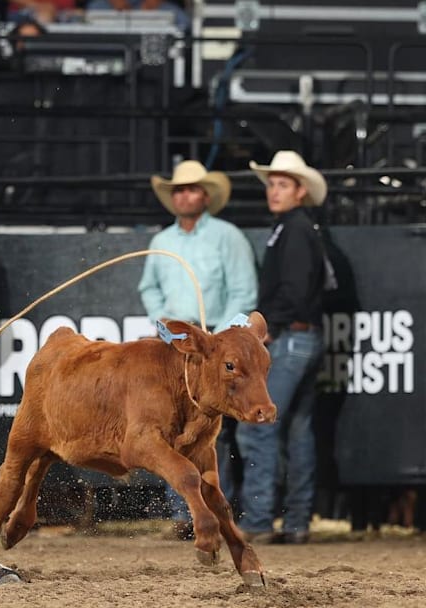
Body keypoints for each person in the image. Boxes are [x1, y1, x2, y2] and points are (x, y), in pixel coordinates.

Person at [138, 159, 257, 539]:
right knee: (177, 427)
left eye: (190, 189)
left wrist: (220, 340)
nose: (184, 195)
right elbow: (149, 287)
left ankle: (224, 509)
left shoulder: (228, 237)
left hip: (217, 343)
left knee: (215, 431)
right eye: (178, 190)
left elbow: (243, 289)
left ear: (205, 196)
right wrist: (165, 323)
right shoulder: (162, 242)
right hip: (177, 345)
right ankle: (188, 512)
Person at [236, 150, 328, 545]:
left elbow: (292, 289)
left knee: (258, 426)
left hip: (290, 338)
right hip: (302, 337)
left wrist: (267, 328)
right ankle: (296, 520)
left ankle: (258, 520)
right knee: (297, 432)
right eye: (271, 184)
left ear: (300, 190)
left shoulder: (294, 230)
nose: (274, 191)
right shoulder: (296, 228)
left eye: (282, 185)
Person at [85, 0, 190, 32]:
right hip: (112, 7)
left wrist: (154, 3)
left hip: (148, 5)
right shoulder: (99, 6)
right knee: (95, 8)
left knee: (178, 17)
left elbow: (185, 24)